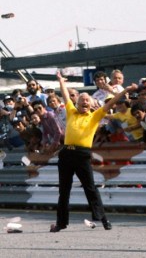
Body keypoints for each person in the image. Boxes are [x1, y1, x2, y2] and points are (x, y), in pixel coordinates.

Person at [50, 70, 137, 233]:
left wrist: (125, 91)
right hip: (66, 154)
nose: (84, 102)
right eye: (81, 100)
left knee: (90, 188)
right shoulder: (71, 111)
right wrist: (61, 81)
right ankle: (60, 223)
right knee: (64, 190)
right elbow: (65, 95)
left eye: (87, 101)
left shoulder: (95, 115)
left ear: (90, 105)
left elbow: (111, 104)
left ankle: (103, 219)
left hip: (82, 155)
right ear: (77, 104)